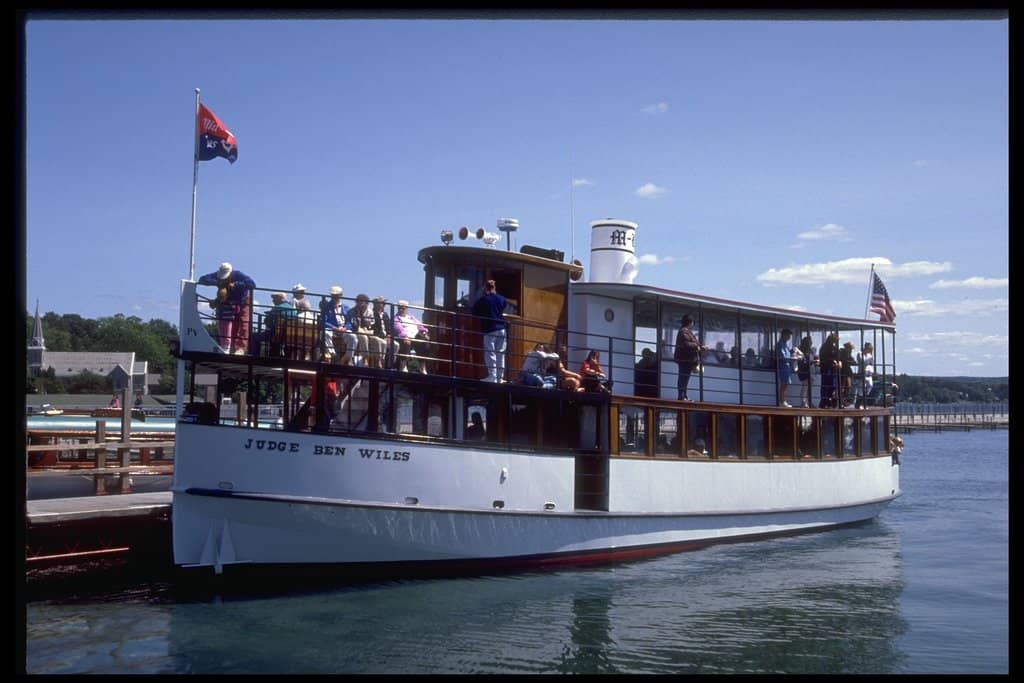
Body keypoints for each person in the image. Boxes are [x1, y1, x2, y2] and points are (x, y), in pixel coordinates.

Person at [198, 262, 256, 354]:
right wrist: (216, 282)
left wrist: (236, 284)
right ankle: (230, 347)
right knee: (230, 323)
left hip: (243, 299)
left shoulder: (238, 274)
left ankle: (240, 348)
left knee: (243, 323)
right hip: (228, 300)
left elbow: (252, 284)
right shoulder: (217, 275)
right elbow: (203, 279)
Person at [471, 279, 508, 382]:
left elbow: (474, 311)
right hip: (502, 328)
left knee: (490, 352)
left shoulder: (483, 300)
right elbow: (504, 305)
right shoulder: (501, 298)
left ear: (485, 288)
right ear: (494, 288)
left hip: (490, 328)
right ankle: (500, 378)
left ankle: (492, 376)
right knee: (500, 353)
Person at [250, 291, 297, 357]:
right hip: (289, 336)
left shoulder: (277, 308)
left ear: (281, 298)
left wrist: (268, 323)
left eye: (275, 298)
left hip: (275, 334)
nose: (273, 300)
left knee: (254, 336)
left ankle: (254, 357)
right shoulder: (293, 309)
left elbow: (267, 321)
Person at [348, 293, 387, 368]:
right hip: (357, 331)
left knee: (378, 340)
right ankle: (365, 358)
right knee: (364, 337)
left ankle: (379, 360)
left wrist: (367, 328)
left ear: (367, 303)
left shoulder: (370, 312)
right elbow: (354, 325)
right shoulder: (352, 311)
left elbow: (371, 325)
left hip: (368, 331)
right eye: (359, 302)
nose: (361, 304)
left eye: (363, 302)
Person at [673, 314, 705, 401]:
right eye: (692, 322)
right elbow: (686, 344)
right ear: (690, 323)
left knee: (685, 378)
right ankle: (681, 396)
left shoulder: (686, 331)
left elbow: (691, 343)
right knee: (683, 378)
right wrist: (698, 347)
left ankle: (684, 396)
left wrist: (700, 346)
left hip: (687, 359)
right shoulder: (684, 331)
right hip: (685, 359)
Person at [322, 286, 358, 364]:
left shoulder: (346, 308)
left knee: (353, 337)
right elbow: (324, 321)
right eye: (333, 295)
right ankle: (332, 354)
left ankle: (347, 358)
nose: (334, 297)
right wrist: (334, 328)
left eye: (336, 295)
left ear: (340, 296)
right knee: (325, 333)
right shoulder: (326, 307)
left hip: (343, 330)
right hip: (332, 329)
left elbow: (349, 322)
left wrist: (345, 328)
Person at [393, 300, 430, 372]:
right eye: (400, 308)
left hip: (415, 336)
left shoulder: (411, 317)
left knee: (425, 343)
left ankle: (422, 367)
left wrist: (424, 332)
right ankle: (403, 366)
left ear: (407, 309)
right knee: (405, 343)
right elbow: (398, 328)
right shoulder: (396, 318)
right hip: (405, 337)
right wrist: (405, 336)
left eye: (403, 308)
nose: (401, 310)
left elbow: (419, 325)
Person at [370, 296, 400, 369]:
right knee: (383, 343)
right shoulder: (371, 313)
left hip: (385, 337)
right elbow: (373, 328)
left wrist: (389, 335)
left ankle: (390, 365)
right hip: (376, 336)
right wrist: (383, 337)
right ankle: (381, 363)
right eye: (380, 303)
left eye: (383, 303)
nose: (382, 305)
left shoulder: (385, 314)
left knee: (396, 345)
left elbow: (389, 327)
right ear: (375, 304)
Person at [818, 331, 841, 408]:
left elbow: (837, 356)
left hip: (832, 370)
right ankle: (824, 402)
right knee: (825, 386)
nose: (835, 342)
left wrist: (839, 361)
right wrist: (832, 361)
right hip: (826, 369)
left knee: (832, 386)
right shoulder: (825, 347)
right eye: (834, 340)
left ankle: (828, 401)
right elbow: (823, 357)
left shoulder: (833, 347)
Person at [776, 328, 795, 407]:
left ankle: (783, 401)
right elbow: (782, 357)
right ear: (783, 335)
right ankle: (782, 401)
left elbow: (787, 355)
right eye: (788, 335)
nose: (789, 337)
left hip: (786, 367)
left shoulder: (785, 344)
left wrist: (792, 353)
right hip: (783, 367)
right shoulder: (780, 345)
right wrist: (793, 359)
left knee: (785, 384)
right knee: (783, 384)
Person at [796, 335, 817, 407]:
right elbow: (803, 362)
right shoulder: (801, 351)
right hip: (804, 371)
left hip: (811, 371)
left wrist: (816, 360)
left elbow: (814, 357)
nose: (811, 343)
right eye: (810, 342)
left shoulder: (811, 351)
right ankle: (803, 402)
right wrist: (813, 362)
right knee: (805, 387)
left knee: (809, 389)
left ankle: (809, 402)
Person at [839, 341, 858, 407]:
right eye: (850, 348)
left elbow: (853, 361)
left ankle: (844, 400)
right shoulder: (842, 353)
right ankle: (841, 401)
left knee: (848, 386)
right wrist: (849, 362)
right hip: (843, 371)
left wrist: (851, 362)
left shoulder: (848, 353)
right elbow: (843, 360)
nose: (850, 350)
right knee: (843, 386)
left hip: (847, 371)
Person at [857, 342, 875, 407]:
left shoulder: (870, 355)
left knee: (870, 385)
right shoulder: (860, 353)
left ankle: (864, 400)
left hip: (868, 374)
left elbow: (872, 363)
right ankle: (859, 404)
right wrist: (868, 363)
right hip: (862, 373)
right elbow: (861, 361)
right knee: (861, 388)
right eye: (870, 349)